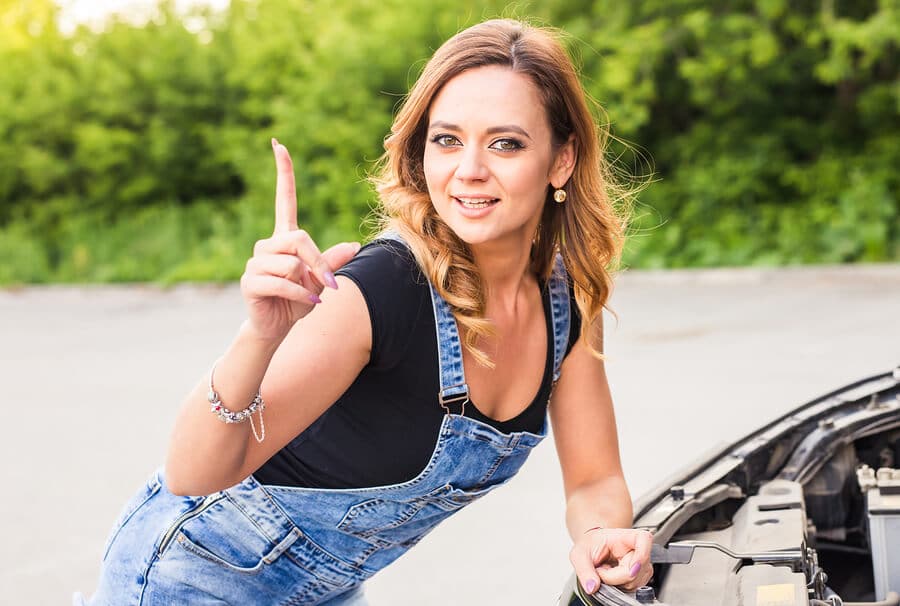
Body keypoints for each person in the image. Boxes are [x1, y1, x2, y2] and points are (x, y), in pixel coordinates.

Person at [76, 18, 653, 605]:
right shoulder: (380, 290)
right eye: (447, 139)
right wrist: (259, 335)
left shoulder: (568, 302)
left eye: (506, 143)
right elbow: (190, 476)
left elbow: (594, 479)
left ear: (561, 161)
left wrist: (601, 535)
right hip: (196, 576)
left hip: (328, 590)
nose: (470, 168)